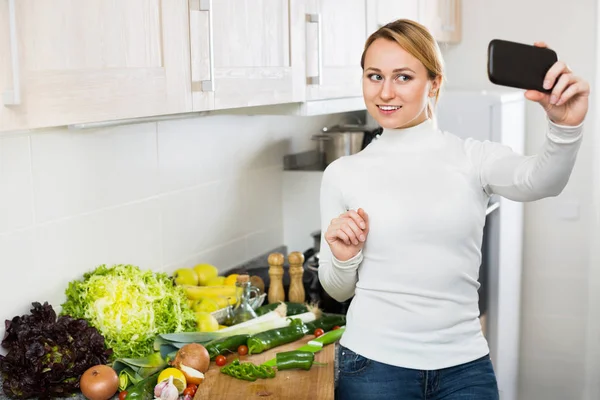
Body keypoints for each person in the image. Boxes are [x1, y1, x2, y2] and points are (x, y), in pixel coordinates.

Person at [318, 19, 589, 400]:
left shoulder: (471, 157)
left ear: (434, 83)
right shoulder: (341, 174)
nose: (385, 91)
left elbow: (541, 180)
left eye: (403, 77)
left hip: (464, 368)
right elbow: (337, 288)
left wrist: (565, 128)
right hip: (372, 368)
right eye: (374, 75)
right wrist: (344, 258)